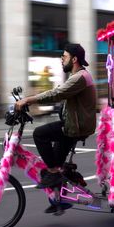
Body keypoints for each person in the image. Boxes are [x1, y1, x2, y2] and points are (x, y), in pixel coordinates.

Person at [15, 43, 97, 191]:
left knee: (39, 134)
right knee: (55, 162)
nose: (61, 59)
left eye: (64, 56)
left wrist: (27, 100)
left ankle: (54, 174)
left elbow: (56, 93)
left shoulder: (80, 77)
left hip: (75, 128)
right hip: (73, 124)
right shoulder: (77, 76)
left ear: (74, 59)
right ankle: (59, 199)